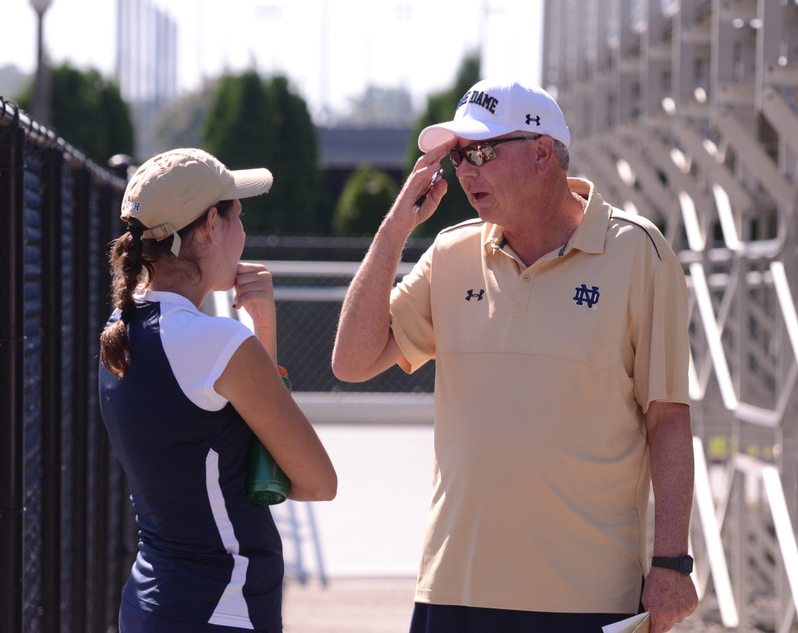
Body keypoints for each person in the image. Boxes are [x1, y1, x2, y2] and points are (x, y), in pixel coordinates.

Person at [332, 79, 699, 632]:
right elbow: (352, 362)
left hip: (588, 597)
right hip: (455, 587)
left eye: (481, 152)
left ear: (542, 154)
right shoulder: (451, 251)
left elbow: (668, 419)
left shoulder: (640, 254)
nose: (465, 171)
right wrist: (393, 230)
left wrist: (672, 562)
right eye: (458, 157)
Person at [98, 148, 337, 632]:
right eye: (238, 217)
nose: (243, 235)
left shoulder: (119, 328)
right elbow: (315, 482)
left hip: (150, 602)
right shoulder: (219, 344)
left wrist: (259, 330)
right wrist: (258, 334)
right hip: (219, 610)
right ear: (210, 225)